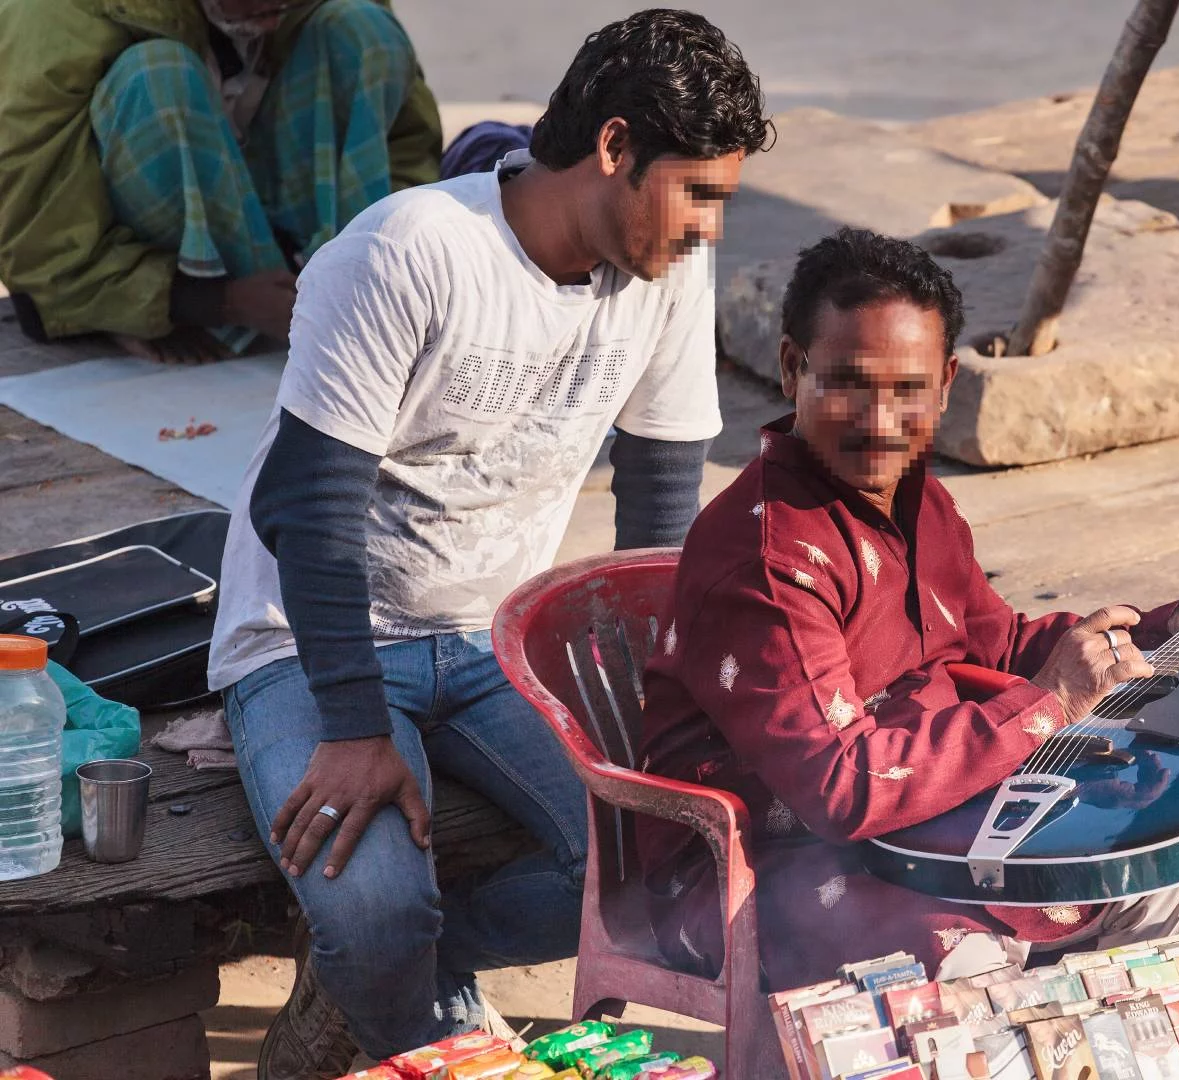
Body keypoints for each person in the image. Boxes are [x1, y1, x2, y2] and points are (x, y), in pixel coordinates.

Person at [205, 10, 770, 1076]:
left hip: (498, 635)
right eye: (697, 193)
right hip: (305, 640)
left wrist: (661, 710)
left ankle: (423, 971)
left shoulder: (665, 279)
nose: (707, 230)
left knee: (669, 858)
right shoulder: (408, 251)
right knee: (375, 908)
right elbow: (307, 508)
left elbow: (659, 515)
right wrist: (354, 725)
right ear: (614, 146)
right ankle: (428, 1024)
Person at [638, 228, 1179, 991]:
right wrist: (1050, 703)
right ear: (793, 368)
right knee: (967, 967)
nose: (880, 421)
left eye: (909, 390)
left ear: (946, 383)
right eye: (850, 384)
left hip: (929, 818)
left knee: (1161, 864)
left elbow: (1001, 646)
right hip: (770, 865)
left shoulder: (916, 498)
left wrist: (1177, 626)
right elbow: (839, 786)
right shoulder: (768, 559)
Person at [0, 0, 444, 364]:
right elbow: (37, 231)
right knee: (158, 76)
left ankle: (334, 282)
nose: (273, 18)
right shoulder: (53, 15)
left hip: (289, 228)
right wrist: (203, 302)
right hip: (159, 269)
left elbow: (406, 147)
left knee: (363, 29)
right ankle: (212, 308)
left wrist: (400, 259)